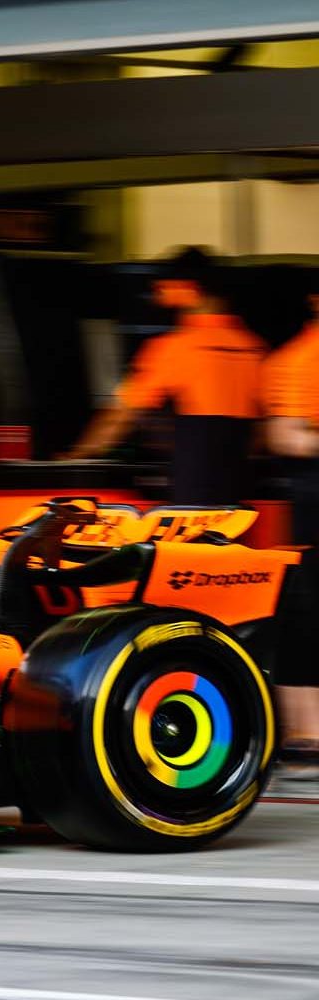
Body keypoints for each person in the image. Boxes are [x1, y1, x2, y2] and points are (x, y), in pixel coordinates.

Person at [61, 247, 267, 505]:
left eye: (166, 283)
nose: (158, 289)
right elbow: (261, 430)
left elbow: (121, 415)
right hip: (239, 486)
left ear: (189, 288)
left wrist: (78, 454)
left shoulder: (176, 347)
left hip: (193, 486)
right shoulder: (252, 346)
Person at [263, 279, 319, 771]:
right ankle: (307, 732)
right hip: (313, 497)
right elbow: (286, 435)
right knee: (306, 606)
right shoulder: (300, 359)